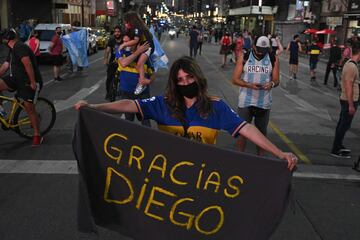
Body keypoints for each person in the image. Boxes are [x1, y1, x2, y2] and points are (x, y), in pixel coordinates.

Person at [75, 56, 297, 170]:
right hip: (167, 175)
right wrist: (94, 107)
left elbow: (247, 128)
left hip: (204, 177)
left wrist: (280, 154)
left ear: (198, 78)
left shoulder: (215, 107)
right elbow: (128, 105)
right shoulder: (163, 104)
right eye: (180, 80)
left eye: (189, 77)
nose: (185, 83)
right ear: (175, 83)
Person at [232, 36, 279, 156]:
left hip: (263, 102)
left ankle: (260, 160)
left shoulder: (273, 58)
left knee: (262, 134)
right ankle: (240, 158)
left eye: (263, 51)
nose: (260, 53)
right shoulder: (245, 57)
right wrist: (249, 85)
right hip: (245, 101)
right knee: (242, 132)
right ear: (253, 46)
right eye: (258, 50)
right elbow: (235, 79)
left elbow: (276, 80)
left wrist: (272, 84)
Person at [0, 28, 43, 146]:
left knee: (29, 107)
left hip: (27, 81)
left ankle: (37, 134)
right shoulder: (11, 49)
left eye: (3, 38)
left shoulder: (20, 47)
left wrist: (33, 82)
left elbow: (27, 64)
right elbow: (5, 66)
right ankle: (2, 113)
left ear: (7, 38)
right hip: (15, 78)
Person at [115, 32, 153, 127]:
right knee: (128, 123)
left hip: (143, 94)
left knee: (145, 122)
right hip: (126, 93)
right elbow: (123, 63)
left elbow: (152, 73)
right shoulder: (120, 51)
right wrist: (138, 52)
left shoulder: (144, 56)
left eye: (128, 42)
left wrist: (148, 81)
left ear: (135, 42)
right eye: (124, 41)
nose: (125, 44)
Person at [331, 41, 360, 158]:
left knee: (343, 124)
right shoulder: (351, 66)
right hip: (349, 100)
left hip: (349, 99)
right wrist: (351, 105)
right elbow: (348, 86)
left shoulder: (351, 64)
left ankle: (338, 145)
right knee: (343, 125)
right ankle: (336, 149)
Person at [121, 12, 155, 96]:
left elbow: (136, 40)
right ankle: (142, 81)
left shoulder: (137, 28)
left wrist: (124, 45)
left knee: (140, 64)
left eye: (126, 22)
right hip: (144, 47)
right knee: (138, 65)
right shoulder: (137, 28)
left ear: (130, 21)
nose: (125, 24)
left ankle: (142, 81)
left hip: (147, 47)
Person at [104, 26, 122, 101]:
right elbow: (107, 50)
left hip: (122, 62)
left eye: (118, 31)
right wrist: (106, 59)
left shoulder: (124, 40)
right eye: (115, 32)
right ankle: (108, 93)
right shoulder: (111, 40)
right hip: (113, 61)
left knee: (123, 79)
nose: (117, 33)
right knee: (109, 79)